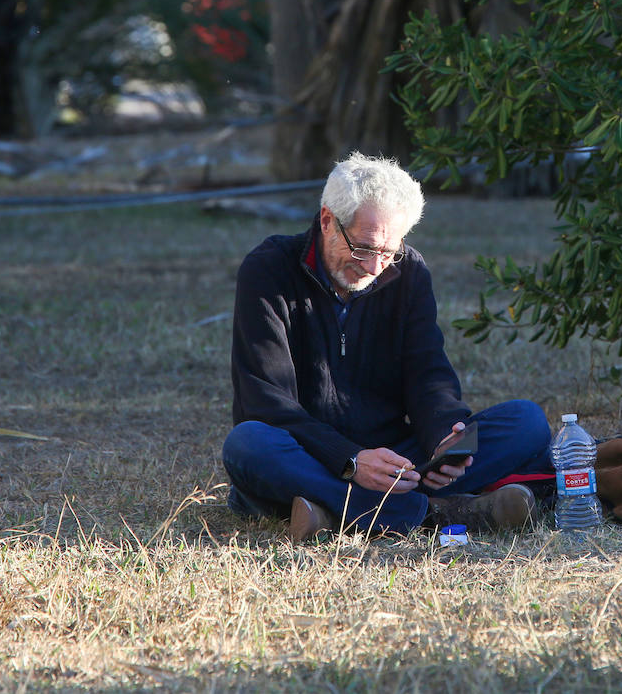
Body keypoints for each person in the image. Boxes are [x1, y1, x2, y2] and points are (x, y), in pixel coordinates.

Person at [221, 152, 552, 542]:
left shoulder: (408, 270)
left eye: (389, 251)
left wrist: (446, 437)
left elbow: (428, 374)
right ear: (327, 220)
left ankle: (333, 512)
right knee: (248, 443)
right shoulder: (269, 269)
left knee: (526, 421)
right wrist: (350, 460)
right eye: (363, 249)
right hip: (311, 455)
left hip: (397, 461)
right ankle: (430, 514)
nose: (375, 267)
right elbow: (265, 401)